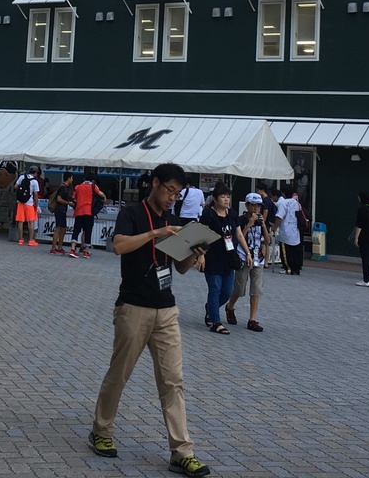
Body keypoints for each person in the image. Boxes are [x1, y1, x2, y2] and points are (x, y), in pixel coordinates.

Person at [88, 161, 211, 477]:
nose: (172, 198)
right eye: (170, 190)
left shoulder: (174, 220)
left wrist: (194, 253)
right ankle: (101, 431)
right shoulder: (131, 214)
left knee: (173, 381)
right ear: (155, 183)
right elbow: (118, 246)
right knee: (119, 374)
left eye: (177, 194)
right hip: (133, 307)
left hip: (166, 310)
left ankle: (182, 451)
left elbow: (178, 267)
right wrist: (157, 232)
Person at [199, 184, 248, 334]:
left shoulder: (232, 214)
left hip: (229, 258)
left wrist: (247, 253)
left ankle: (210, 308)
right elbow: (201, 235)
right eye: (223, 197)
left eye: (228, 197)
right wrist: (201, 255)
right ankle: (216, 322)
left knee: (227, 291)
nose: (226, 200)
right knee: (215, 289)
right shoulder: (208, 214)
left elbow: (239, 234)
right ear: (215, 199)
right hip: (213, 257)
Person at [226, 193, 267, 331]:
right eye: (253, 205)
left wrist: (264, 225)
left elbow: (267, 241)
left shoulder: (261, 221)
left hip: (258, 258)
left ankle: (252, 319)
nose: (256, 208)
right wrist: (249, 224)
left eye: (259, 206)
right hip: (243, 257)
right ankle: (230, 306)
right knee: (239, 288)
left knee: (256, 289)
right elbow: (238, 238)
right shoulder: (241, 220)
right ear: (247, 205)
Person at [69, 171, 105, 258]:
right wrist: (104, 197)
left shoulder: (78, 187)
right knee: (88, 231)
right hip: (89, 212)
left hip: (79, 212)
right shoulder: (93, 186)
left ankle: (72, 249)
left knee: (76, 230)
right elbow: (101, 194)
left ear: (84, 179)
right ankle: (86, 251)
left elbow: (74, 198)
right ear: (92, 180)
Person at [273, 184, 304, 275]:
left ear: (283, 193)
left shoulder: (284, 203)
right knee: (294, 250)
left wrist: (275, 226)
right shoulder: (296, 203)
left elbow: (280, 217)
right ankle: (296, 268)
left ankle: (288, 268)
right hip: (295, 229)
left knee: (285, 251)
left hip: (285, 230)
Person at [352, 191, 369, 287]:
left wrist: (356, 237)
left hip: (364, 236)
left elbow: (359, 225)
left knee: (365, 258)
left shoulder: (362, 209)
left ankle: (366, 280)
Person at [13, 166, 41, 246]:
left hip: (20, 202)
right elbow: (35, 195)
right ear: (36, 173)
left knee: (20, 221)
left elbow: (15, 186)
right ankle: (31, 240)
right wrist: (36, 204)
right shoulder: (35, 182)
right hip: (29, 203)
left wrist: (22, 192)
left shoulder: (22, 177)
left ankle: (20, 240)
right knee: (31, 221)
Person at [50, 172, 74, 255]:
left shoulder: (66, 188)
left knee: (63, 229)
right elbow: (58, 199)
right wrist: (68, 203)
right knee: (58, 228)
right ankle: (53, 248)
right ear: (68, 178)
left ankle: (60, 247)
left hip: (63, 210)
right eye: (72, 178)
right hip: (60, 210)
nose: (72, 180)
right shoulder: (63, 187)